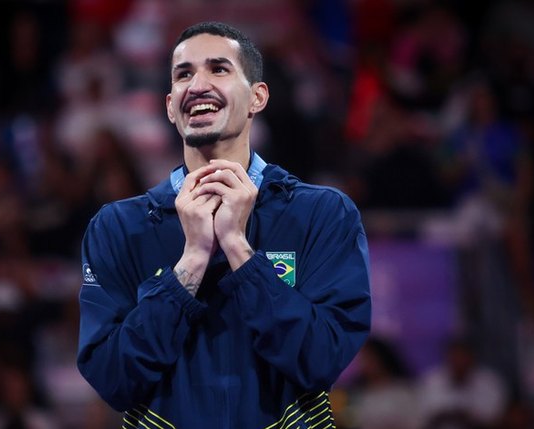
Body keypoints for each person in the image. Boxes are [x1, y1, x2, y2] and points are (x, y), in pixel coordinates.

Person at [77, 21, 371, 428]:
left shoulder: (323, 215)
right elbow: (113, 380)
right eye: (184, 74)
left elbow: (320, 361)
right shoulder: (118, 228)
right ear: (169, 106)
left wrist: (238, 249)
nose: (198, 84)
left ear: (257, 97)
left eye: (219, 69)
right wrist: (191, 262)